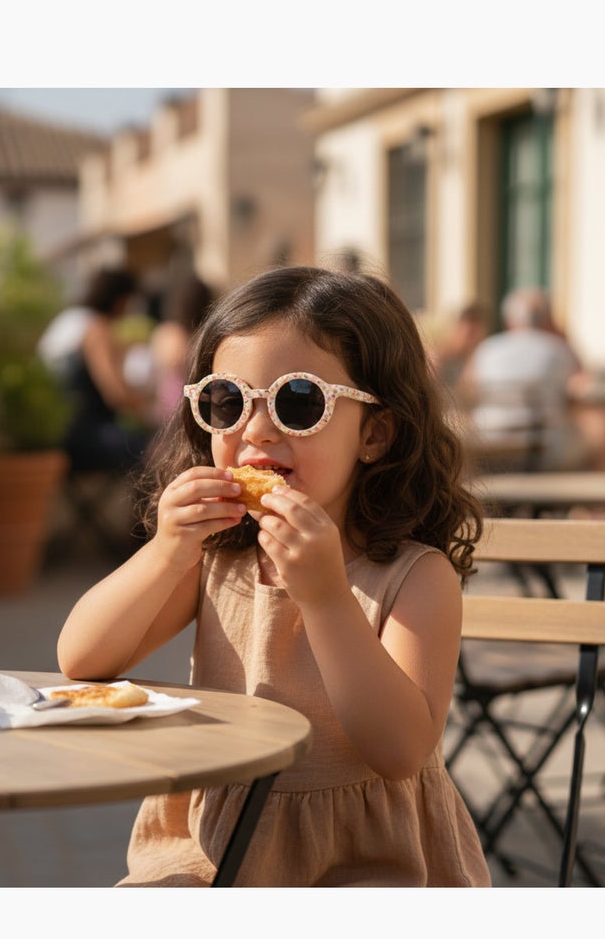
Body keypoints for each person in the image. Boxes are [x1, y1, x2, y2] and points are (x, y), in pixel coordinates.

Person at [56, 265, 490, 887]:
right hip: (212, 847)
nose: (255, 430)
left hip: (364, 862)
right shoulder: (215, 556)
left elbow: (398, 751)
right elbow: (82, 658)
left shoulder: (416, 578)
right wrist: (166, 551)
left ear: (375, 432)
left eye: (298, 401)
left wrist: (325, 597)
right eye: (226, 401)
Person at [460, 286, 591, 471]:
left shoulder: (486, 349)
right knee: (598, 435)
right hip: (544, 450)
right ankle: (604, 496)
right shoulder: (559, 349)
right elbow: (582, 386)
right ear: (548, 319)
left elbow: (467, 389)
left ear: (509, 320)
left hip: (488, 444)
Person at [38, 267, 154, 473]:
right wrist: (151, 413)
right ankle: (154, 506)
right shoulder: (96, 328)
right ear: (120, 300)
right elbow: (116, 394)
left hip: (51, 435)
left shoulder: (68, 321)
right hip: (83, 437)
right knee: (158, 449)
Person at [149, 271, 213, 423]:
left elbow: (155, 375)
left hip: (168, 406)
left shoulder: (166, 333)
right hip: (202, 406)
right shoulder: (207, 336)